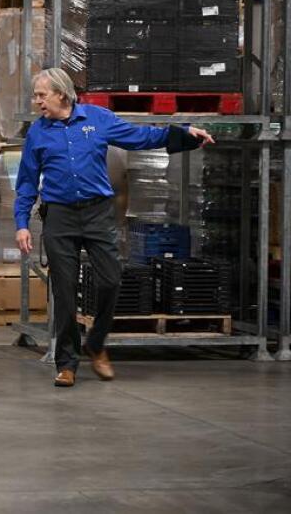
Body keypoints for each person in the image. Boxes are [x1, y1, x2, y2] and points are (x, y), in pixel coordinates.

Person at [14, 68, 214, 388]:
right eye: (36, 95)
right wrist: (22, 224)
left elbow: (142, 136)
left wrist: (185, 133)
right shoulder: (38, 132)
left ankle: (96, 343)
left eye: (41, 95)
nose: (37, 101)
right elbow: (26, 182)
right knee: (64, 293)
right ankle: (67, 363)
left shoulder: (97, 119)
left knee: (110, 280)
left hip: (97, 213)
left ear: (61, 94)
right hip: (59, 218)